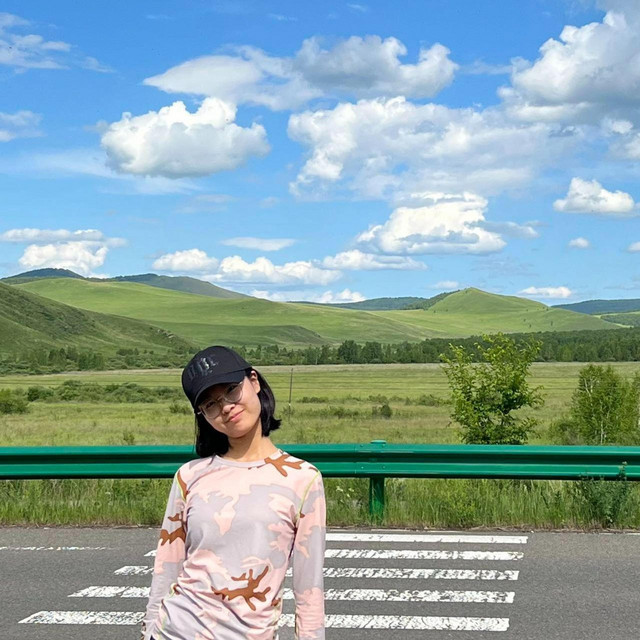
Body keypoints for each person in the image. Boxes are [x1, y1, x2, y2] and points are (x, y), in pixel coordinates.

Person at [141, 345, 326, 640]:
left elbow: (309, 587)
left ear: (253, 381)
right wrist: (149, 630)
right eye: (210, 404)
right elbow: (167, 566)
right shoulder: (189, 476)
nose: (226, 407)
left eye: (231, 390)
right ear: (202, 415)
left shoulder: (302, 479)